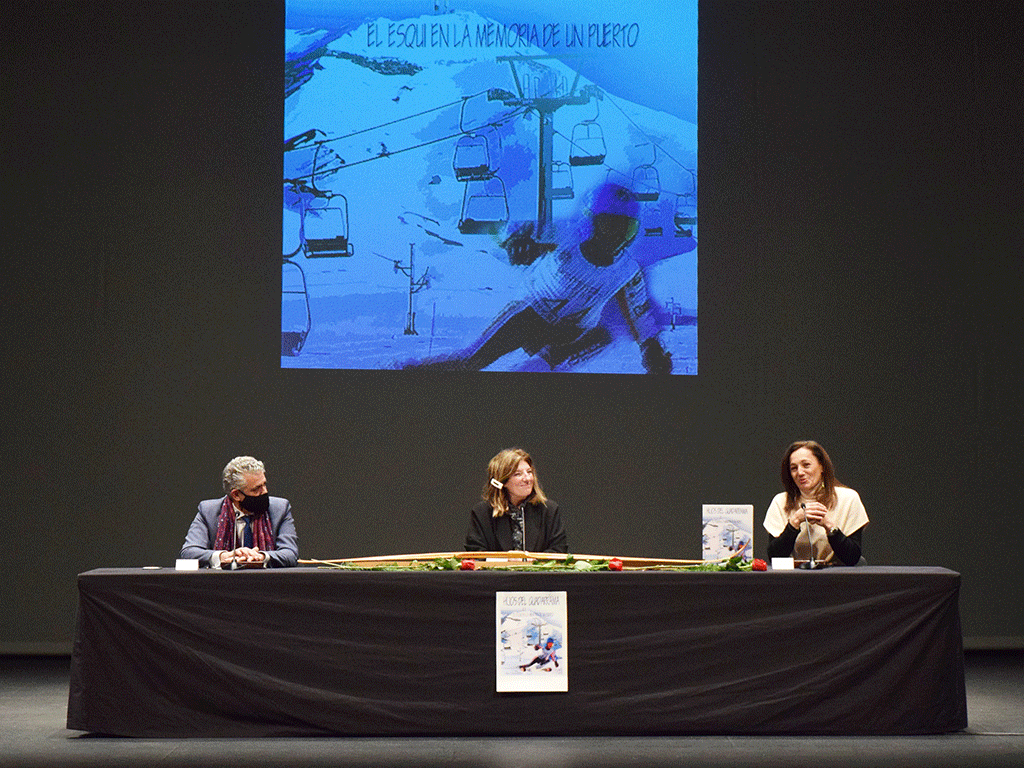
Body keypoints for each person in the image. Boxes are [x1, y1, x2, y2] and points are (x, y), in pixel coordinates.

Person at [405, 183, 672, 373]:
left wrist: (651, 346)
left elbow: (639, 312)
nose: (615, 236)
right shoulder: (563, 234)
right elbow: (511, 228)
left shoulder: (627, 270)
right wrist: (515, 241)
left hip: (571, 332)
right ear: (590, 222)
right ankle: (407, 374)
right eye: (608, 225)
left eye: (625, 229)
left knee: (582, 347)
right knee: (470, 362)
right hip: (529, 314)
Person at [180, 456, 299, 568]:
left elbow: (290, 553)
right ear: (236, 495)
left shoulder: (280, 508)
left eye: (264, 484)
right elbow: (189, 552)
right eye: (257, 489)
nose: (264, 491)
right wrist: (224, 556)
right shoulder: (208, 511)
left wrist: (261, 557)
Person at [763, 440, 868, 566]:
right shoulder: (780, 501)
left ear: (822, 466)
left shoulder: (849, 498)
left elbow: (852, 558)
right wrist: (794, 522)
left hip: (836, 578)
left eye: (806, 465)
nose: (800, 472)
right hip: (794, 578)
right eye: (794, 468)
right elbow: (775, 558)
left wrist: (829, 526)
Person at [464, 448, 567, 553]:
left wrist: (532, 562)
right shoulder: (482, 512)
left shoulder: (549, 510)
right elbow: (475, 553)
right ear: (501, 481)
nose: (527, 479)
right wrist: (506, 561)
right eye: (518, 474)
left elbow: (559, 550)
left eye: (529, 472)